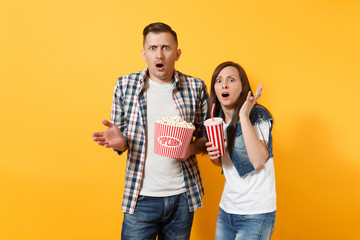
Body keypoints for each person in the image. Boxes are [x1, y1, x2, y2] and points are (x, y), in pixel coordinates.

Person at [92, 22, 208, 240]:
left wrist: (191, 148)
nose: (160, 54)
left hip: (183, 196)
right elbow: (122, 138)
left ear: (177, 53)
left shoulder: (196, 87)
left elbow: (206, 136)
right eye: (153, 48)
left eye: (166, 47)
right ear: (144, 53)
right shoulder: (124, 86)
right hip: (141, 196)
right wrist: (121, 142)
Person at [205, 61, 276, 240]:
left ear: (243, 87)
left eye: (231, 79)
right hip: (226, 210)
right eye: (219, 80)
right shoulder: (216, 120)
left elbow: (258, 161)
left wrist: (243, 116)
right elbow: (224, 164)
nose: (224, 85)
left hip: (256, 214)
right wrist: (214, 157)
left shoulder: (257, 115)